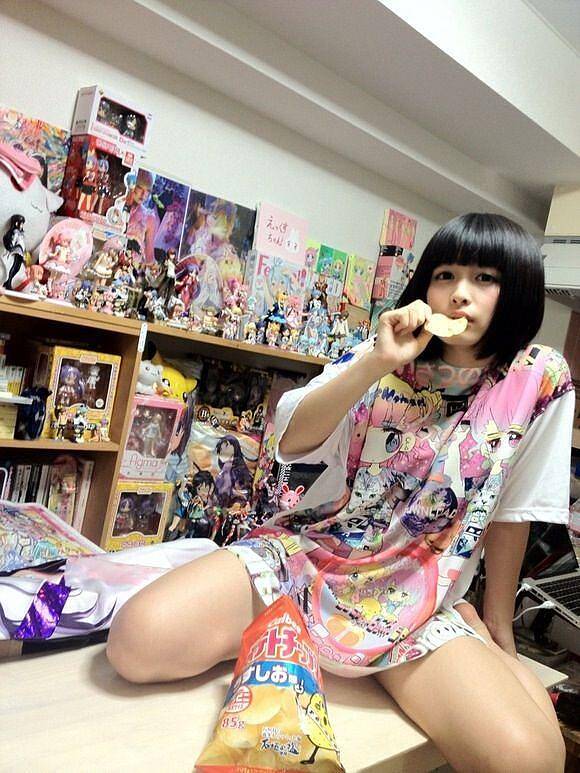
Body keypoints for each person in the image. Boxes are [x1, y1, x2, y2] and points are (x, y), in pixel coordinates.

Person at [107, 213, 572, 772]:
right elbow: (291, 441)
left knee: (531, 762)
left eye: (484, 279)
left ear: (515, 288)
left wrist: (498, 631)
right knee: (135, 643)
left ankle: (449, 633)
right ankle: (300, 641)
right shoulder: (384, 347)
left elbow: (514, 508)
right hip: (310, 560)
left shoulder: (538, 377)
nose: (459, 294)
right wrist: (378, 362)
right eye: (445, 275)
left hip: (415, 596)